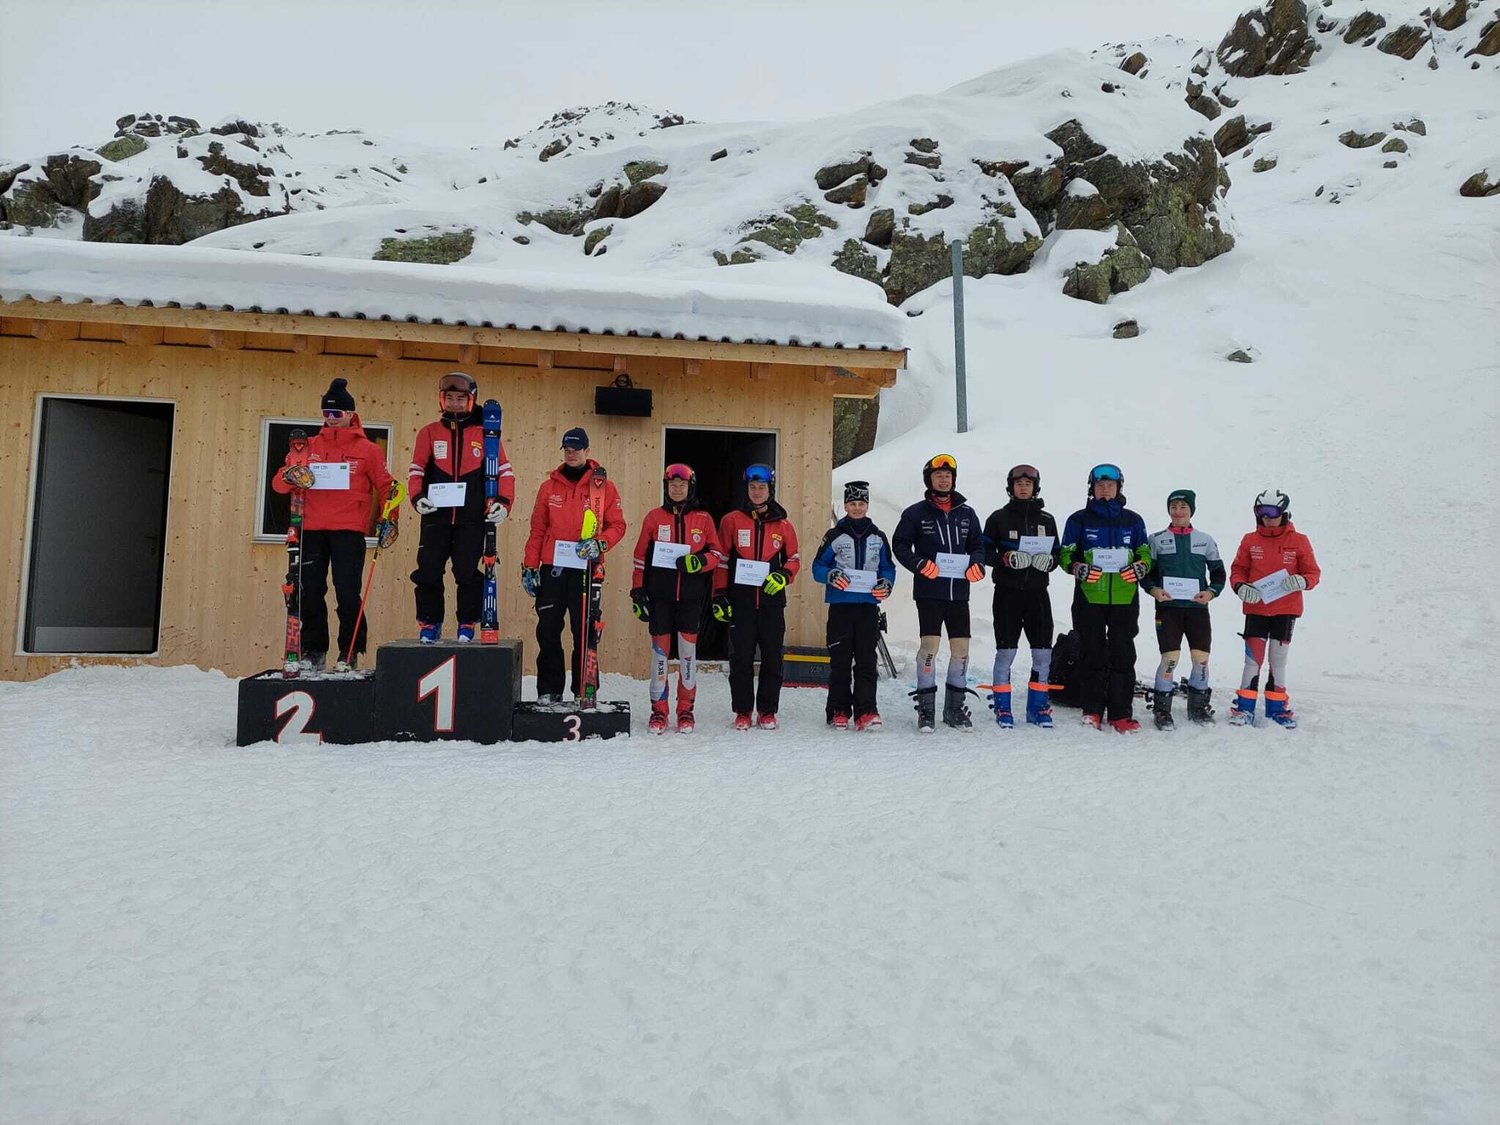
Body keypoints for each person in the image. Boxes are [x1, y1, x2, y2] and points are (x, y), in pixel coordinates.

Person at [270, 377, 396, 671]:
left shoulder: (368, 450)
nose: (332, 419)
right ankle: (314, 650)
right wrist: (290, 475)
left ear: (351, 414)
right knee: (310, 590)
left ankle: (350, 650)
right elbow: (278, 483)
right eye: (327, 414)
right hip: (311, 528)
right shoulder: (307, 446)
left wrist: (387, 519)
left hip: (348, 530)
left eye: (337, 414)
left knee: (347, 591)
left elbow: (387, 486)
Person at [521, 427, 626, 704]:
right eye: (567, 449)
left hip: (586, 569)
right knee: (548, 630)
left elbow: (618, 525)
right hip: (553, 568)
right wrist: (530, 565)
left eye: (576, 449)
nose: (571, 453)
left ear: (587, 451)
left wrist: (600, 544)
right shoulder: (549, 487)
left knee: (585, 631)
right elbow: (537, 529)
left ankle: (585, 689)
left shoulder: (603, 486)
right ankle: (549, 690)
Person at [407, 372, 514, 643]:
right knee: (428, 569)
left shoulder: (486, 435)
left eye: (460, 398)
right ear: (442, 400)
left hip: (471, 518)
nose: (454, 403)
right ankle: (429, 624)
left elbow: (505, 472)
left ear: (471, 400)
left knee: (466, 570)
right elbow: (416, 469)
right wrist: (417, 496)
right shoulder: (429, 433)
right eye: (449, 398)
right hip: (436, 515)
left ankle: (467, 623)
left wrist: (503, 502)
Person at [893, 454, 986, 732]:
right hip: (930, 592)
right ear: (929, 480)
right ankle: (926, 710)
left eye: (948, 475)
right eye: (938, 476)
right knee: (930, 648)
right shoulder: (915, 513)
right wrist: (919, 565)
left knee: (962, 650)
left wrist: (977, 565)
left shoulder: (967, 513)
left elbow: (978, 545)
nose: (943, 479)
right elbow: (900, 545)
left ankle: (954, 710)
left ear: (953, 480)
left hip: (959, 593)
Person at [629, 463, 724, 734]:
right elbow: (639, 558)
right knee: (659, 656)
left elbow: (717, 554)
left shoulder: (703, 519)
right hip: (660, 598)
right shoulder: (654, 517)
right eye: (672, 485)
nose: (677, 488)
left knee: (687, 656)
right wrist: (637, 592)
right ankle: (659, 712)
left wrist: (699, 561)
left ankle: (686, 711)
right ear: (666, 487)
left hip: (691, 599)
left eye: (682, 485)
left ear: (690, 487)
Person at [1058, 463, 1151, 732]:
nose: (1105, 490)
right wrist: (1077, 568)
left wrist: (1142, 566)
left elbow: (1144, 553)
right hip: (1089, 597)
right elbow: (1066, 554)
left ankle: (1121, 714)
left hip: (1124, 598)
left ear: (1119, 487)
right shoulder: (1078, 520)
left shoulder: (1133, 520)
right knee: (1091, 653)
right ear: (1092, 489)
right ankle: (1092, 710)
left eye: (1111, 485)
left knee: (1123, 655)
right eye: (1100, 486)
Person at [713, 463, 800, 730]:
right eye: (753, 487)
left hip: (772, 603)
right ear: (746, 489)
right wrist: (720, 595)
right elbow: (722, 561)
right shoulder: (731, 520)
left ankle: (767, 711)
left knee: (773, 656)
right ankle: (742, 711)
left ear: (770, 489)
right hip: (741, 602)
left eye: (762, 487)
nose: (757, 492)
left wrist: (783, 576)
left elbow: (794, 559)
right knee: (741, 657)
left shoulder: (783, 524)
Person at [1228, 488, 1322, 728]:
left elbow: (1313, 572)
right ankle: (1244, 708)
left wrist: (1302, 580)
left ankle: (1277, 709)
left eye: (1272, 512)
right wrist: (1240, 587)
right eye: (1261, 512)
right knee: (1253, 660)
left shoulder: (1298, 541)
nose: (1267, 517)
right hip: (1256, 608)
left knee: (1278, 661)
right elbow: (1238, 569)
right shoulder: (1250, 540)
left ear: (1285, 513)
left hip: (1285, 608)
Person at [811, 480, 897, 731]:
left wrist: (886, 583)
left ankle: (866, 710)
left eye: (861, 503)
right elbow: (818, 566)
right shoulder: (835, 535)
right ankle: (838, 709)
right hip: (841, 606)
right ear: (845, 505)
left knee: (867, 660)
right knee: (840, 660)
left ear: (867, 505)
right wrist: (831, 576)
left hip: (868, 607)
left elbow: (888, 568)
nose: (857, 508)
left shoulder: (878, 536)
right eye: (852, 504)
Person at [981, 464, 1061, 729]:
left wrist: (1049, 561)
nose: (1023, 487)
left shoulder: (1047, 520)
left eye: (1028, 484)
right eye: (1018, 484)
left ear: (1035, 487)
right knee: (1006, 652)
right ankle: (1002, 708)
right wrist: (1004, 559)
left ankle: (1038, 707)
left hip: (1038, 594)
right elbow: (982, 551)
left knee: (1042, 653)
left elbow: (1058, 554)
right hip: (1007, 594)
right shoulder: (998, 518)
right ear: (1011, 487)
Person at [1144, 489, 1227, 729]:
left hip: (1197, 609)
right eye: (1173, 507)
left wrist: (1211, 592)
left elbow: (1219, 574)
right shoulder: (1157, 539)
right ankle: (1162, 710)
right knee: (1170, 658)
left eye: (1183, 507)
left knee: (1201, 659)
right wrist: (1154, 591)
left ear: (1191, 510)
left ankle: (1198, 707)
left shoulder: (1205, 540)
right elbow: (1147, 575)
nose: (1178, 512)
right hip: (1168, 609)